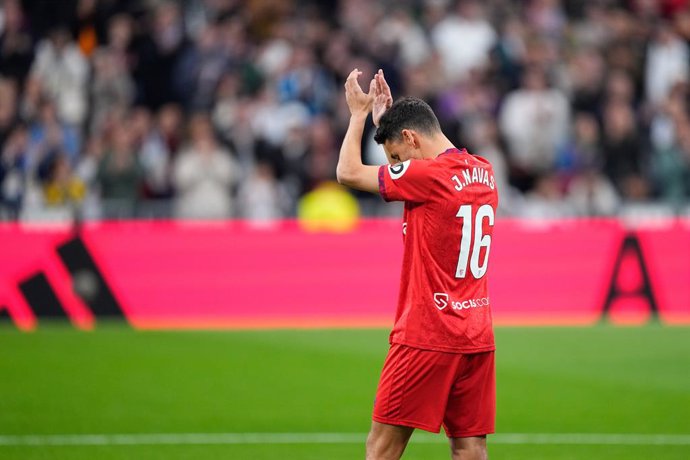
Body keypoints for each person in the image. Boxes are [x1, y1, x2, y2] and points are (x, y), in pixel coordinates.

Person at [336, 69, 498, 460]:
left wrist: (358, 115)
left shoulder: (429, 175)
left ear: (410, 138)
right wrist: (385, 123)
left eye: (395, 157)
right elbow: (419, 170)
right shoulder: (484, 171)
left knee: (382, 450)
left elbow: (347, 173)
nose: (395, 166)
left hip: (427, 333)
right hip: (476, 333)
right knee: (470, 449)